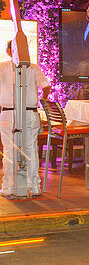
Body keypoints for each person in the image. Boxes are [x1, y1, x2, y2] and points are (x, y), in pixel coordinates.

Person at [1, 41, 51, 199]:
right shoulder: (33, 68)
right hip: (30, 112)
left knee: (9, 150)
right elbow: (46, 86)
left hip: (8, 113)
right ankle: (34, 186)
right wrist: (43, 98)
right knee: (31, 149)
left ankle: (8, 187)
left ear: (9, 51)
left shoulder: (1, 68)